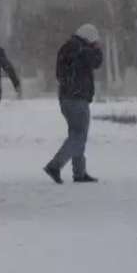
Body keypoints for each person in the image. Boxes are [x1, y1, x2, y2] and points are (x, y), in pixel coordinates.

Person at [45, 24, 104, 184]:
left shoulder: (66, 48)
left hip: (66, 98)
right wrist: (97, 49)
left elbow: (59, 74)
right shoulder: (82, 50)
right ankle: (54, 166)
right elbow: (97, 62)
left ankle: (79, 172)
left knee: (76, 135)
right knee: (78, 137)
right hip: (77, 99)